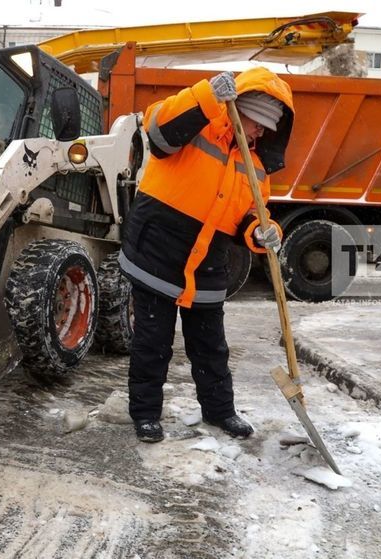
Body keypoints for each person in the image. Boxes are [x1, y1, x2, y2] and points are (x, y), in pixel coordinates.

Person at [118, 67, 294, 442]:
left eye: (268, 127)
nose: (262, 131)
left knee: (211, 347)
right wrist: (207, 95)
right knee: (153, 342)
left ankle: (219, 411)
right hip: (159, 252)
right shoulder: (194, 127)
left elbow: (250, 215)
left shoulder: (257, 170)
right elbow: (158, 131)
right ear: (236, 107)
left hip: (209, 264)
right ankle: (146, 413)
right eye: (257, 121)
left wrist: (263, 233)